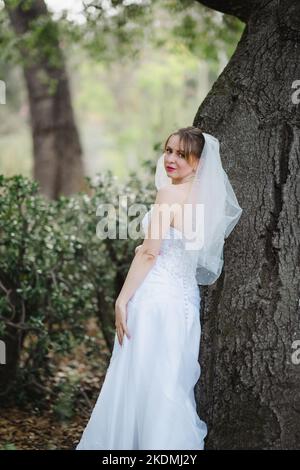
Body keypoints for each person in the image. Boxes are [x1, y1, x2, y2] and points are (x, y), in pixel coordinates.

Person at [76, 126, 243, 450]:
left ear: (198, 161)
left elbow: (152, 252)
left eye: (182, 154)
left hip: (154, 298)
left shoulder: (169, 193)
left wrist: (122, 300)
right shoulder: (207, 198)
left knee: (140, 381)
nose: (171, 159)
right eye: (169, 150)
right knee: (169, 383)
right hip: (184, 303)